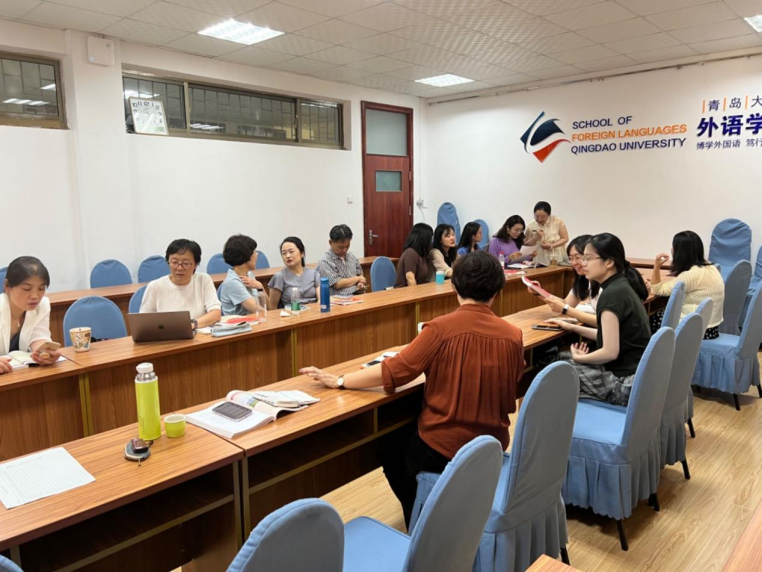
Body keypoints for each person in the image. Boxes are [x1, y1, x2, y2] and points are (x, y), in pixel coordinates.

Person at [300, 251, 524, 528]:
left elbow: (394, 371)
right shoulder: (513, 335)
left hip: (445, 448)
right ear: (499, 290)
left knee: (392, 454)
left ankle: (423, 525)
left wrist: (340, 380)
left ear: (454, 287)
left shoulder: (440, 329)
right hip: (491, 445)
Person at [549, 233, 651, 406]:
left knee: (556, 365)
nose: (583, 264)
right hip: (640, 376)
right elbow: (611, 336)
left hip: (625, 384)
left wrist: (580, 358)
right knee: (562, 359)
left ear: (609, 262)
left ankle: (566, 419)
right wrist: (573, 328)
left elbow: (610, 352)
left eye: (587, 258)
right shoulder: (621, 285)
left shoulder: (611, 295)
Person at [649, 231, 725, 339]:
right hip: (711, 328)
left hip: (697, 330)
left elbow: (657, 289)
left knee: (650, 319)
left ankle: (654, 350)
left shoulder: (692, 275)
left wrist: (656, 266)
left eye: (673, 246)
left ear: (680, 252)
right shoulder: (710, 267)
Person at [140, 239, 221, 330]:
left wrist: (191, 325)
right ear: (168, 262)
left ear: (195, 264)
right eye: (174, 262)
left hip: (198, 334)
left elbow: (215, 313)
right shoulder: (155, 286)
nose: (179, 268)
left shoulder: (203, 280)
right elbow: (143, 322)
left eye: (186, 263)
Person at [0, 257, 61, 374]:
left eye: (41, 288)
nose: (35, 296)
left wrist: (46, 353)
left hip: (21, 375)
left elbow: (39, 335)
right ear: (7, 286)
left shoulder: (42, 305)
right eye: (27, 289)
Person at [542, 235, 601, 327]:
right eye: (571, 258)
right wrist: (539, 292)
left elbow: (602, 322)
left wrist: (566, 309)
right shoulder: (583, 279)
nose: (574, 263)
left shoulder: (606, 284)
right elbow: (567, 303)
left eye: (578, 257)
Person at [219, 234, 266, 316]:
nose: (257, 255)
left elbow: (266, 307)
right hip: (240, 323)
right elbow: (259, 310)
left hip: (254, 320)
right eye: (255, 252)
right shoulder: (232, 282)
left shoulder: (249, 274)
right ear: (247, 256)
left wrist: (260, 287)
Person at [269, 237, 321, 309]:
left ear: (302, 253)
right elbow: (272, 308)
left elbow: (321, 300)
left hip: (314, 312)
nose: (288, 256)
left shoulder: (314, 274)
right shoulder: (279, 277)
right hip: (292, 313)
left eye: (291, 252)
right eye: (284, 253)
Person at [317, 224, 367, 296]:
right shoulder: (325, 261)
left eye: (347, 246)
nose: (344, 250)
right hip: (339, 299)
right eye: (341, 247)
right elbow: (337, 284)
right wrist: (357, 279)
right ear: (331, 242)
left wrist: (360, 283)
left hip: (357, 295)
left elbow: (359, 273)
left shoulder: (351, 256)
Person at [524, 201, 569, 266]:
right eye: (537, 216)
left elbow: (565, 238)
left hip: (556, 256)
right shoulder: (531, 226)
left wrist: (551, 245)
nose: (539, 219)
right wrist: (535, 237)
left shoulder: (557, 221)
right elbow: (526, 245)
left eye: (543, 216)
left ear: (549, 215)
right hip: (539, 258)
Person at [395, 223, 433, 288]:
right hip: (405, 291)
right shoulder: (410, 253)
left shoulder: (423, 254)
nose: (431, 241)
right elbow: (410, 278)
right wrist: (417, 294)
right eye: (430, 238)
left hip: (420, 289)